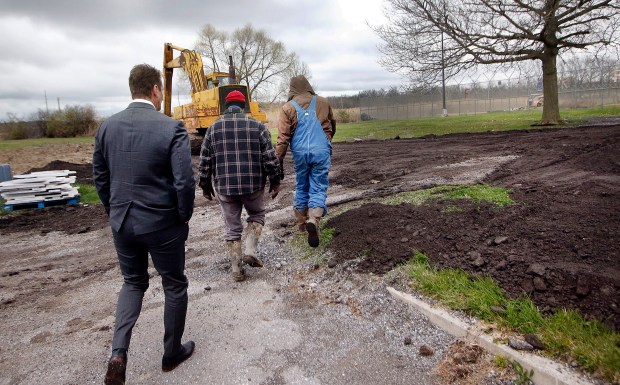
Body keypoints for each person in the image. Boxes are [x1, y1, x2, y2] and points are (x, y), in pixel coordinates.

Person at [93, 63, 196, 385]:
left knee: (133, 283)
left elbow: (101, 177)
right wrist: (183, 217)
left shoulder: (106, 127)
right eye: (161, 90)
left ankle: (118, 353)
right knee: (174, 284)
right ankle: (171, 353)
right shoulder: (172, 128)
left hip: (122, 221)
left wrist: (115, 210)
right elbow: (184, 181)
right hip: (162, 222)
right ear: (155, 90)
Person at [198, 90, 282, 282]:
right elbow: (270, 158)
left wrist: (205, 186)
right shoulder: (257, 126)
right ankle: (251, 250)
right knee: (257, 215)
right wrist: (275, 181)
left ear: (226, 106)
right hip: (252, 185)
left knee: (232, 226)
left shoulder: (213, 129)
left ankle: (236, 269)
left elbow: (205, 161)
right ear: (244, 106)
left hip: (225, 187)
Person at [276, 75, 336, 247]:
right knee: (318, 184)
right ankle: (314, 219)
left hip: (300, 153)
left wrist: (278, 159)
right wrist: (327, 140)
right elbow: (333, 124)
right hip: (321, 150)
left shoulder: (287, 108)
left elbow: (283, 138)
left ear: (292, 88)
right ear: (308, 86)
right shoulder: (323, 102)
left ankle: (302, 224)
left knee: (302, 185)